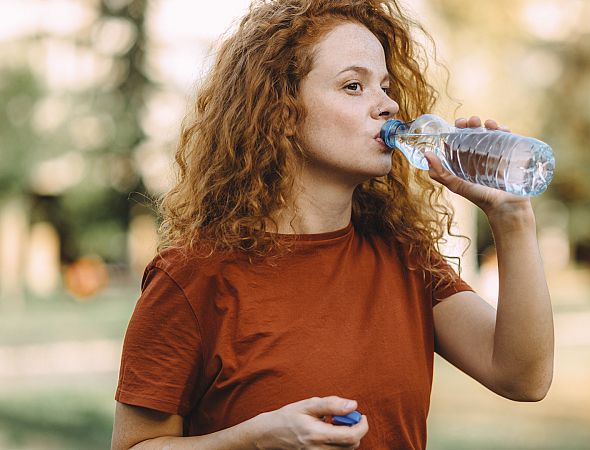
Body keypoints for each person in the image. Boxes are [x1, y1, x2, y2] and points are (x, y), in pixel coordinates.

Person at [111, 0, 554, 448]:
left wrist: (511, 218)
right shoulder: (192, 276)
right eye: (353, 86)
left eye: (384, 85)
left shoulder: (404, 259)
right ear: (281, 113)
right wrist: (257, 438)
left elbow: (523, 377)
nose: (388, 105)